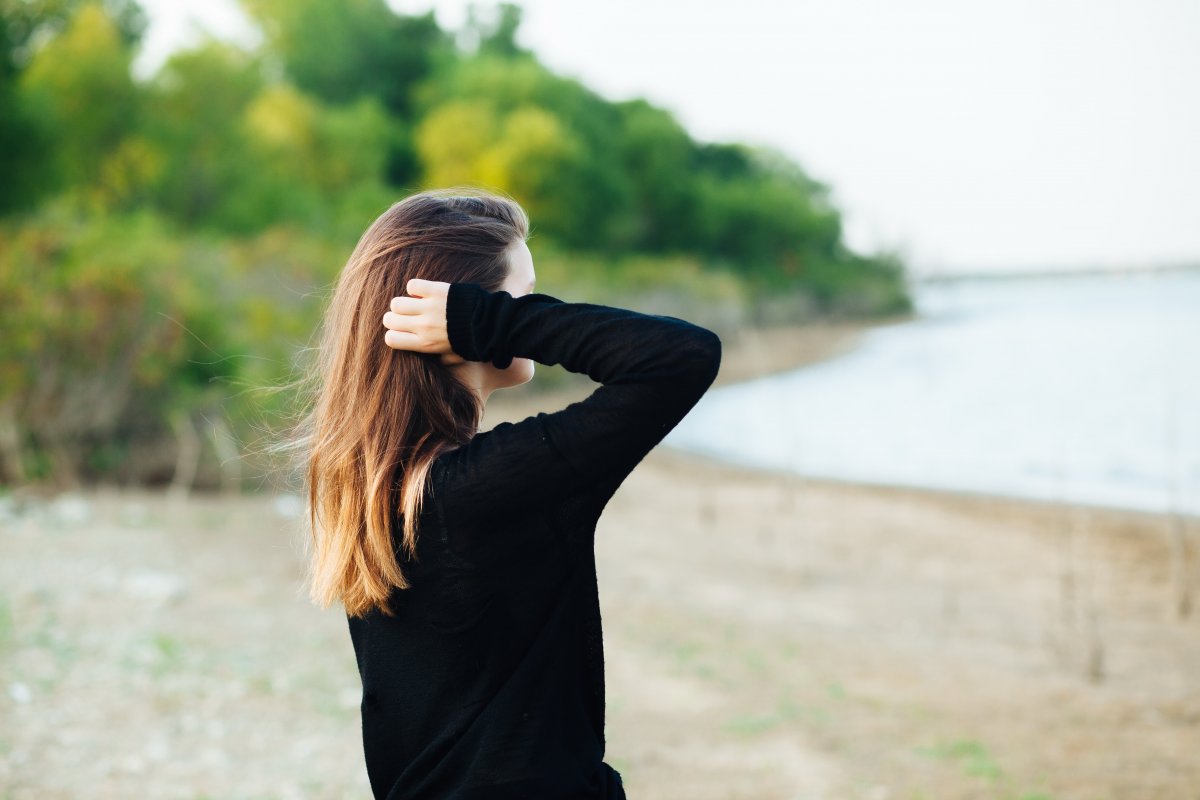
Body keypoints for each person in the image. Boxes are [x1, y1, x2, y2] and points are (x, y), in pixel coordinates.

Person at [299, 189, 722, 799]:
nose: (537, 311)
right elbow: (681, 356)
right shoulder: (488, 490)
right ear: (457, 312)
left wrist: (489, 315)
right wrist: (489, 322)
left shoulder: (372, 489)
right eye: (526, 298)